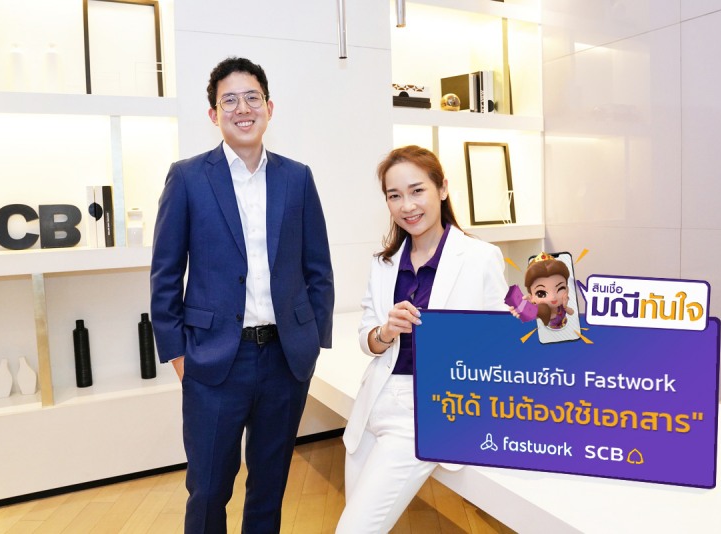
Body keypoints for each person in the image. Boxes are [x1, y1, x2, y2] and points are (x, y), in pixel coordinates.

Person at [150, 56, 334, 534]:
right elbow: (165, 274)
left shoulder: (297, 177)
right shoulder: (188, 177)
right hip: (213, 361)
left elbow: (318, 268)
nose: (242, 108)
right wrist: (178, 355)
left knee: (269, 487)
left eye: (252, 98)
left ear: (269, 107)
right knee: (209, 489)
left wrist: (312, 343)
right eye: (229, 100)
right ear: (213, 114)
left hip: (284, 360)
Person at [336, 145, 508, 533]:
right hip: (373, 405)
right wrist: (385, 331)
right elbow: (366, 339)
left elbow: (500, 344)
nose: (407, 206)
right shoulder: (383, 263)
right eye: (394, 196)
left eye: (417, 191)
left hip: (425, 412)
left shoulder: (480, 257)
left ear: (442, 189)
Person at [513, 252, 574, 329]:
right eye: (541, 293)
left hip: (565, 327)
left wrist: (565, 307)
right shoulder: (542, 311)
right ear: (532, 297)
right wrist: (524, 311)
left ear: (567, 289)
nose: (553, 297)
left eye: (560, 288)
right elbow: (534, 316)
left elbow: (571, 312)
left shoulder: (561, 307)